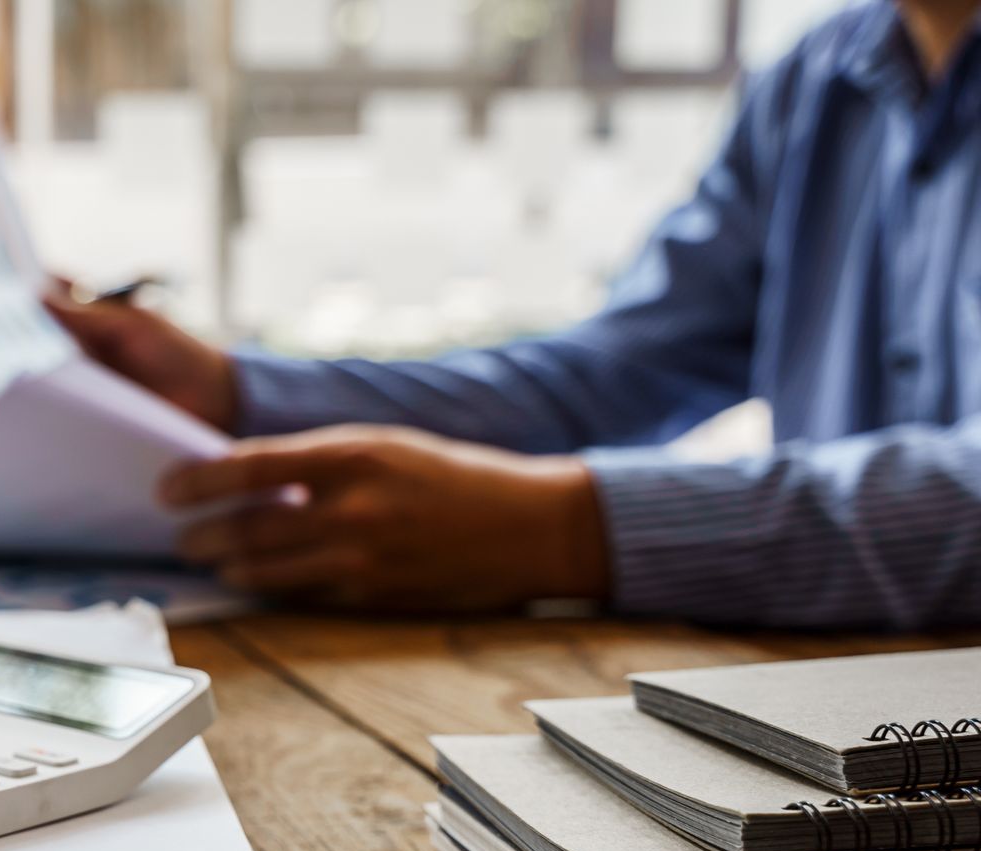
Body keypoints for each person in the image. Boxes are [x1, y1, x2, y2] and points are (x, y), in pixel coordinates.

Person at [47, 0, 981, 629]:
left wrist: (567, 532)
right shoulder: (817, 80)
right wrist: (233, 391)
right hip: (830, 719)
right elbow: (614, 373)